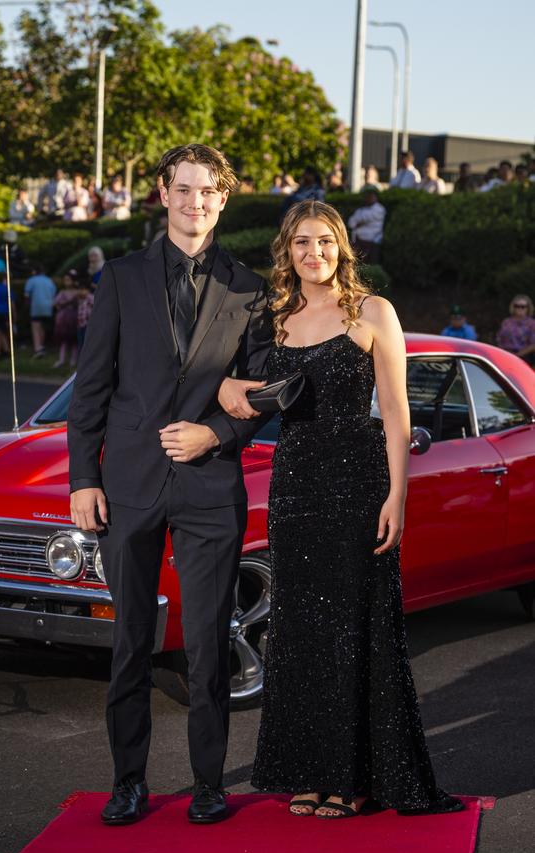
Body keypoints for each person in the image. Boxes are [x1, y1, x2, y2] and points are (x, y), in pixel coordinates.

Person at [220, 199, 464, 819]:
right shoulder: (274, 317)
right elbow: (234, 385)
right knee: (302, 631)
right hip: (295, 483)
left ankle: (354, 777)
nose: (314, 253)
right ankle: (311, 772)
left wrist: (398, 495)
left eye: (325, 241)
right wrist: (229, 393)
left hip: (359, 482)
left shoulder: (373, 312)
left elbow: (397, 414)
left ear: (341, 247)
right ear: (287, 251)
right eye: (301, 242)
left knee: (356, 630)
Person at [68, 143, 272, 827]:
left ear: (223, 198)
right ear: (162, 193)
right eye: (183, 189)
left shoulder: (249, 287)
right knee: (131, 641)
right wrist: (82, 478)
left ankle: (209, 782)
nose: (195, 202)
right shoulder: (122, 277)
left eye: (208, 190)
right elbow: (91, 388)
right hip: (129, 484)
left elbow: (263, 393)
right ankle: (129, 780)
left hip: (211, 487)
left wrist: (215, 433)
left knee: (209, 642)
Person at [24, 263, 57, 358]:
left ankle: (37, 348)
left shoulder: (31, 280)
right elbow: (53, 294)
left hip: (36, 307)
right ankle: (41, 346)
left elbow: (26, 295)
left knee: (35, 327)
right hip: (48, 307)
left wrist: (27, 306)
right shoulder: (49, 281)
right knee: (43, 327)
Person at [347, 185, 386, 264]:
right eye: (367, 195)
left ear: (376, 197)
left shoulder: (380, 209)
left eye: (371, 195)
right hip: (358, 242)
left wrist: (359, 222)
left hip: (372, 243)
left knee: (370, 267)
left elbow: (363, 218)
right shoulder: (361, 209)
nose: (368, 197)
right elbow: (351, 223)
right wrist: (359, 222)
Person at [496, 295, 535, 366]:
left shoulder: (531, 324)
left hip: (523, 358)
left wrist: (518, 355)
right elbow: (499, 339)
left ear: (528, 308)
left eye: (523, 306)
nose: (520, 308)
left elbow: (533, 345)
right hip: (504, 355)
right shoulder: (506, 322)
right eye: (517, 306)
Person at [52, 269, 80, 368]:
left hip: (74, 317)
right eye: (65, 280)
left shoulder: (78, 292)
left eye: (68, 280)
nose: (66, 282)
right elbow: (55, 304)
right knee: (63, 339)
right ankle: (62, 359)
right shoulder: (62, 292)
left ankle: (73, 359)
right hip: (63, 318)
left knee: (73, 340)